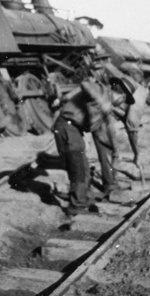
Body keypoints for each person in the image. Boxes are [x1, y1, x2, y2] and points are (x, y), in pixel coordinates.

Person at [52, 71, 126, 215]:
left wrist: (116, 151)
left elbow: (110, 129)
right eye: (122, 97)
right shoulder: (100, 90)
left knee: (85, 167)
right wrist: (102, 102)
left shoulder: (108, 106)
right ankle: (76, 205)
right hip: (66, 126)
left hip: (73, 129)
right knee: (78, 166)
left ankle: (85, 199)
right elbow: (85, 84)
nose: (121, 102)